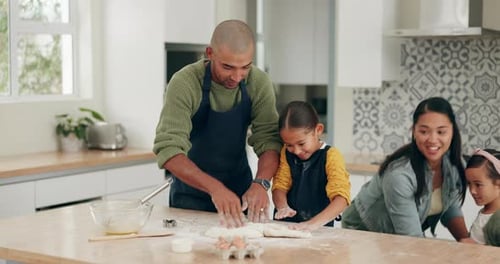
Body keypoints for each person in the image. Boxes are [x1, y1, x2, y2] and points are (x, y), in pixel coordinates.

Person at [153, 20, 282, 228]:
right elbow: (168, 149)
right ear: (210, 53)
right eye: (228, 67)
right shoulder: (185, 83)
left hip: (241, 197)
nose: (237, 77)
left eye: (245, 67)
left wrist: (261, 183)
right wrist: (215, 189)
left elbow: (270, 140)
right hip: (189, 200)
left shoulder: (258, 82)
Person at [341, 97, 469, 240]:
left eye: (441, 132)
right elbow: (412, 239)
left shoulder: (455, 165)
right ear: (414, 131)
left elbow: (449, 206)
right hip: (363, 234)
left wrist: (465, 240)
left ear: (452, 131)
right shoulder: (399, 175)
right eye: (424, 131)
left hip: (401, 238)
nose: (433, 139)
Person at [272, 101, 350, 231]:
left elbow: (341, 199)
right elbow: (280, 186)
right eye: (289, 145)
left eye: (301, 144)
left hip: (319, 229)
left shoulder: (331, 156)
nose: (296, 151)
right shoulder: (286, 153)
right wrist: (282, 207)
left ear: (318, 130)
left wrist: (313, 224)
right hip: (287, 227)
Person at [461, 148, 500, 245]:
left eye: (478, 185)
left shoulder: (497, 220)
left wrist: (475, 247)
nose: (472, 191)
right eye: (469, 184)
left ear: (498, 184)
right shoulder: (485, 213)